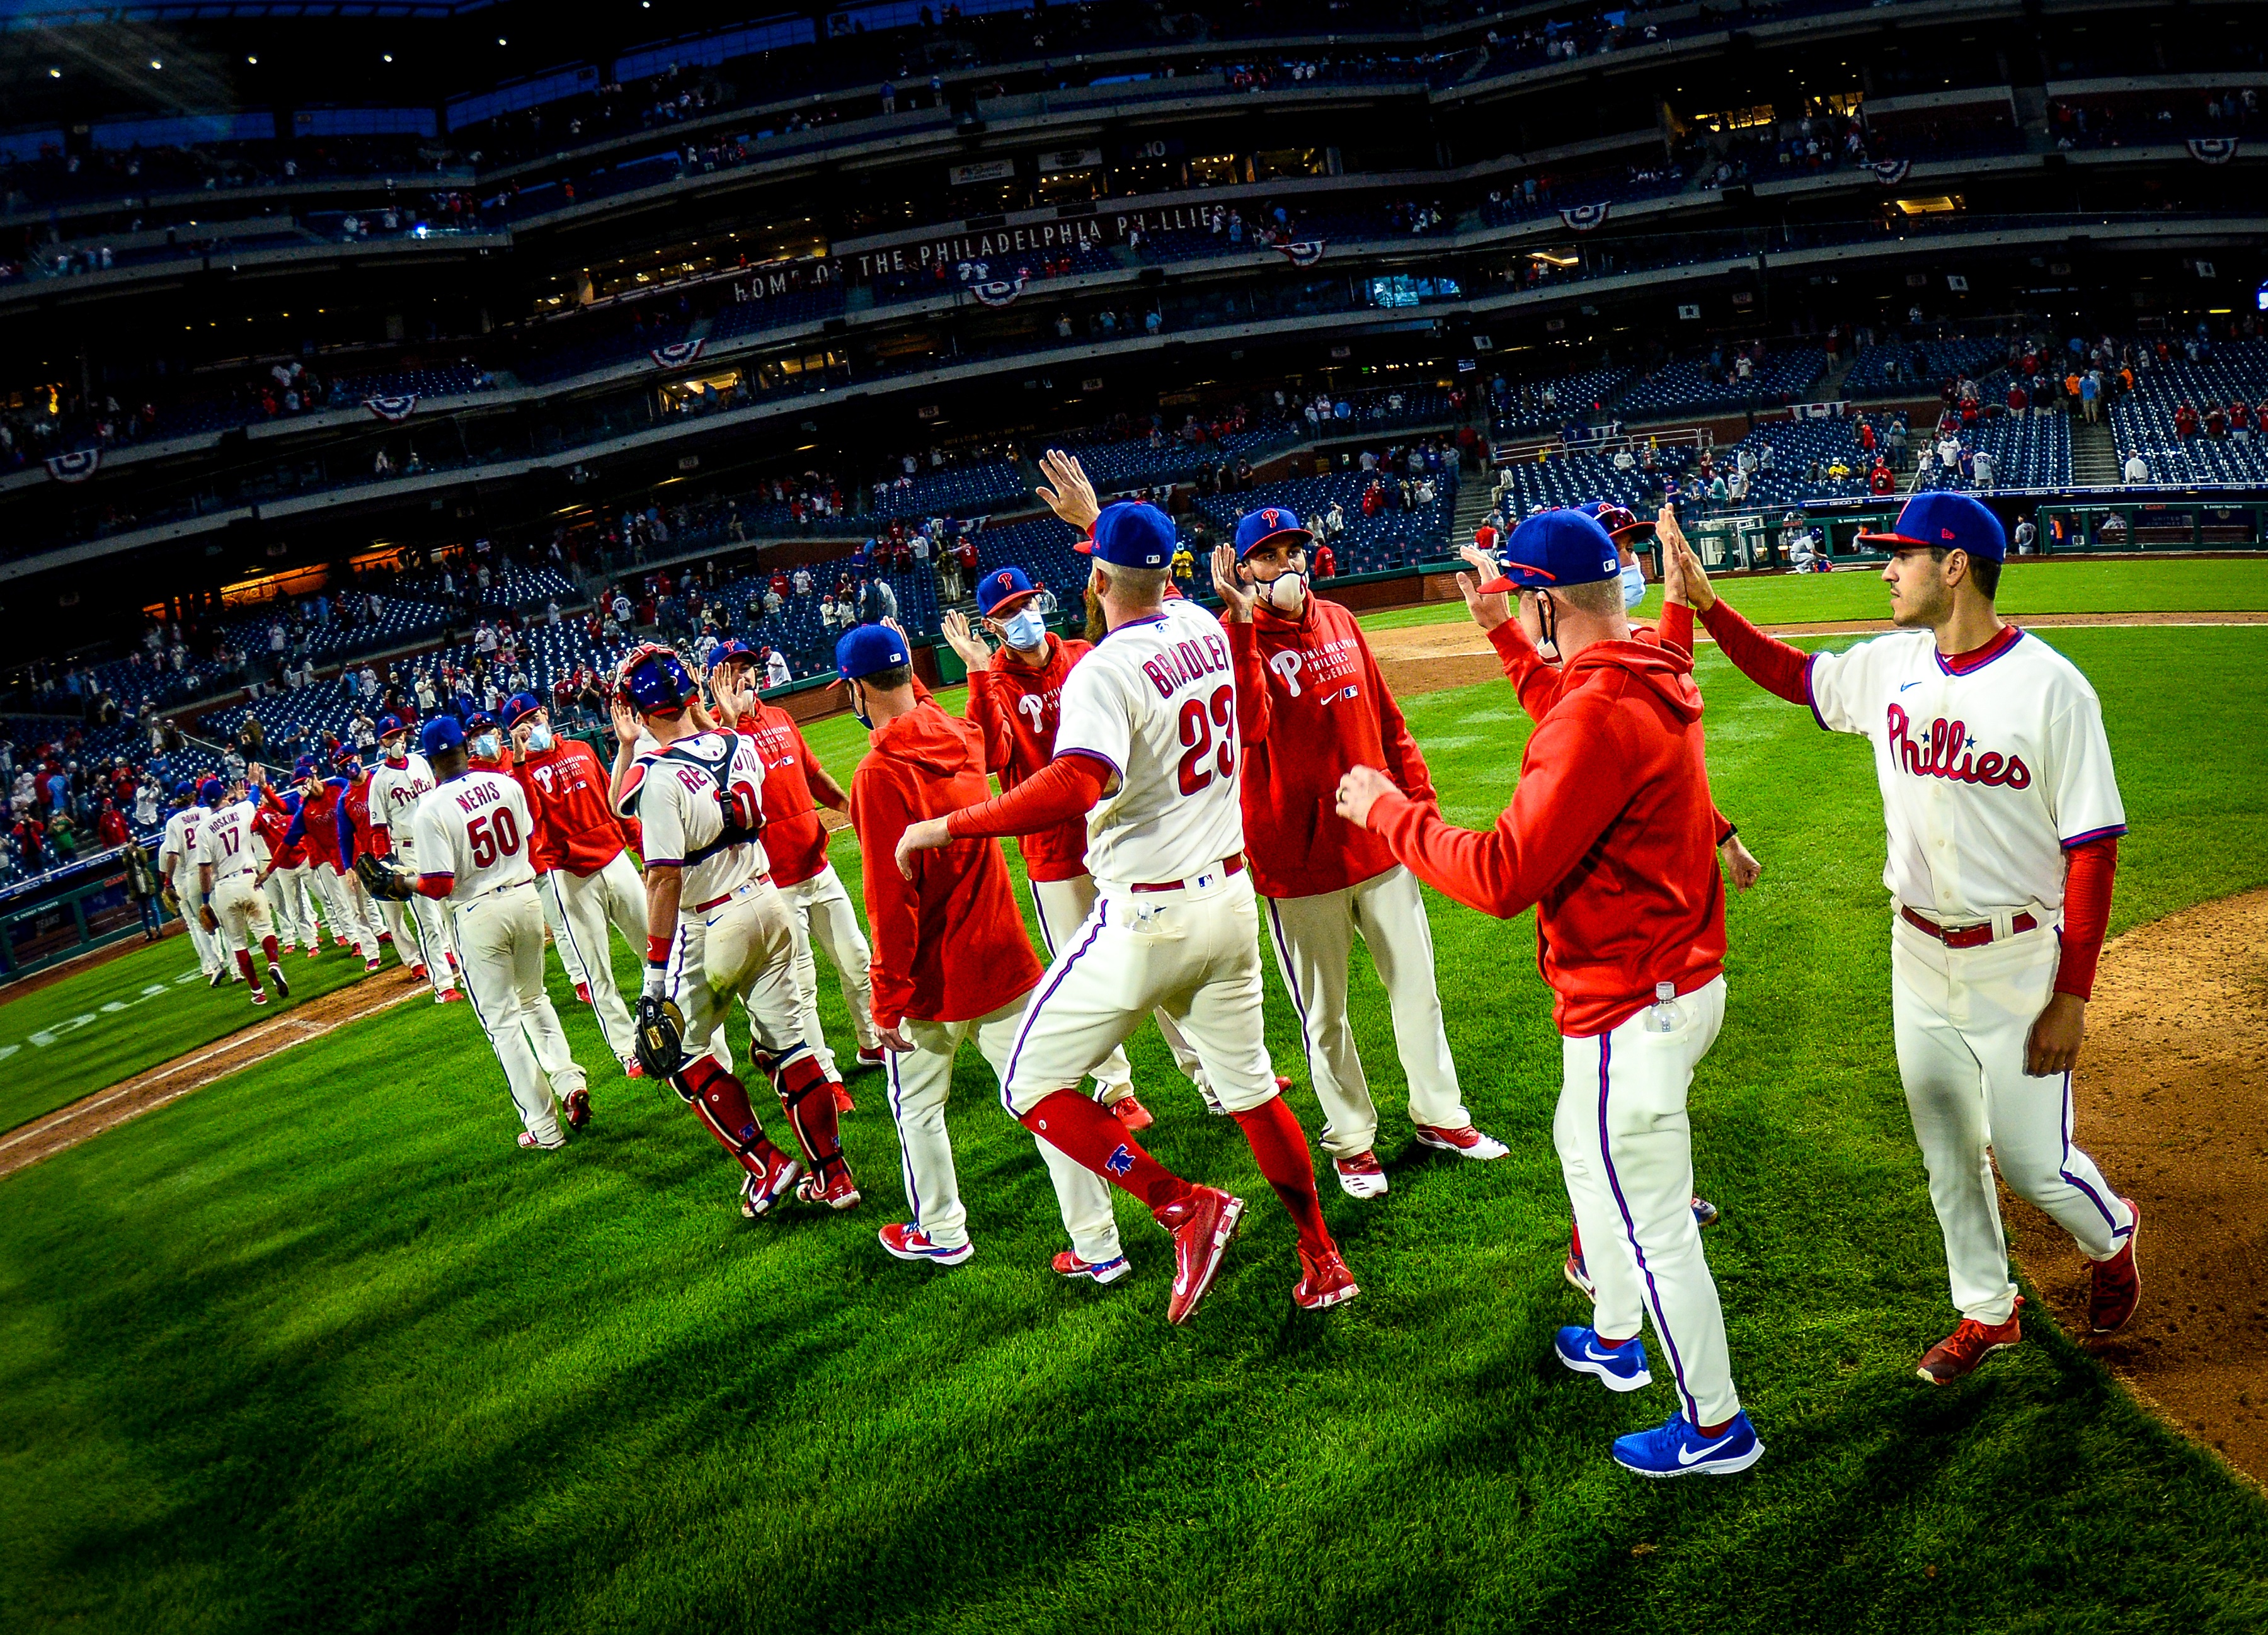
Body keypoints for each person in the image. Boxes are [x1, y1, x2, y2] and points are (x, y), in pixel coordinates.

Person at [1664, 491, 2140, 1384]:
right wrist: (1706, 605)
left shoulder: (2052, 688)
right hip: (1916, 955)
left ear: (1955, 566)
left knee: (2038, 1166)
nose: (1886, 568)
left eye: (1903, 554)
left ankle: (2112, 1238)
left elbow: (2093, 851)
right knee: (1948, 1155)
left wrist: (2072, 995)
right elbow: (1795, 676)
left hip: (2019, 962)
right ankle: (1987, 1311)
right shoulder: (1893, 665)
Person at [1335, 507, 1761, 1479]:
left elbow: (1500, 875)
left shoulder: (1598, 709)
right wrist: (1496, 623)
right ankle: (1613, 1335)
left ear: (1543, 603)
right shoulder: (1645, 662)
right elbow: (1567, 709)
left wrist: (1390, 812)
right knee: (1583, 1151)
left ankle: (1717, 1425)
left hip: (1631, 1003)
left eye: (1521, 607)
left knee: (1655, 1226)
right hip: (1671, 981)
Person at [896, 479, 1357, 1324]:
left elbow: (1075, 783)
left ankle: (1181, 1205)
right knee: (1253, 1091)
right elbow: (1157, 586)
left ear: (1096, 581)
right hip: (1228, 900)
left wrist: (953, 825)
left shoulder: (1102, 668)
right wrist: (1097, 517)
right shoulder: (1201, 625)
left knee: (1030, 1087)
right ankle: (1323, 1257)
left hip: (1146, 915)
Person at [1210, 506, 1508, 1199]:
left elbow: (1386, 718)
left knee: (1417, 990)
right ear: (1244, 569)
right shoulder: (1234, 640)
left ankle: (1441, 1115)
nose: (1287, 565)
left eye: (1294, 550)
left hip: (1380, 842)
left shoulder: (1342, 620)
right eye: (1270, 556)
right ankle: (1352, 1139)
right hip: (1297, 860)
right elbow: (1248, 726)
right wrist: (1242, 624)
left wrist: (1420, 805)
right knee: (1325, 1015)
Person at [835, 623, 1129, 1276]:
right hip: (1004, 958)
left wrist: (887, 997)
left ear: (855, 688)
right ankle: (1100, 1245)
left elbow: (893, 898)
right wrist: (973, 669)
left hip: (935, 983)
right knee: (1048, 1099)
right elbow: (986, 734)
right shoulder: (960, 739)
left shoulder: (879, 774)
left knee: (918, 1110)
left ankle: (941, 1228)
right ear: (909, 673)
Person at [938, 564, 1218, 1129]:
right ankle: (1116, 1091)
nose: (1025, 618)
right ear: (992, 627)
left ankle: (1210, 1075)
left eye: (1027, 603)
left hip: (1118, 837)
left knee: (1162, 959)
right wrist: (976, 675)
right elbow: (991, 757)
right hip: (1054, 852)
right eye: (1009, 613)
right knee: (1090, 979)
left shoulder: (1079, 655)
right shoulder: (993, 678)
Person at [611, 644, 859, 1217]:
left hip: (711, 921)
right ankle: (835, 1175)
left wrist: (653, 969)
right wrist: (701, 716)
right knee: (793, 1048)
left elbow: (662, 879)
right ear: (692, 694)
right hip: (769, 901)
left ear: (639, 711)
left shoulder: (652, 774)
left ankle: (766, 1165)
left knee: (679, 1053)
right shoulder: (739, 744)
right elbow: (704, 747)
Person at [365, 717, 591, 1148]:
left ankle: (544, 1128)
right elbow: (526, 839)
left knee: (503, 1024)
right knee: (535, 999)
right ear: (466, 749)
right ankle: (568, 1081)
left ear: (430, 762)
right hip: (524, 897)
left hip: (478, 912)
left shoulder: (430, 808)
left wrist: (402, 882)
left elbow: (439, 885)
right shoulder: (505, 784)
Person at [707, 643, 882, 1090]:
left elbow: (812, 774)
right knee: (801, 985)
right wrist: (727, 724)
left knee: (858, 958)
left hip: (817, 864)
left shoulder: (780, 718)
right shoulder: (710, 738)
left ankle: (871, 1042)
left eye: (747, 669)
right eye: (733, 673)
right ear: (715, 683)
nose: (744, 679)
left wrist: (847, 806)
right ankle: (824, 1075)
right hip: (773, 880)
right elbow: (715, 800)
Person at [503, 693, 647, 1078]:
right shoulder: (520, 776)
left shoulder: (583, 749)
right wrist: (519, 762)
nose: (531, 729)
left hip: (615, 859)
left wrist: (641, 850)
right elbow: (529, 818)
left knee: (653, 948)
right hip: (570, 875)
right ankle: (627, 1049)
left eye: (534, 719)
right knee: (598, 971)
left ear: (546, 715)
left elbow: (616, 803)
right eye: (521, 727)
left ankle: (677, 1018)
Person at [358, 720, 462, 1003]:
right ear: (381, 743)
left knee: (454, 907)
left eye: (398, 735)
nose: (396, 741)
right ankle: (444, 986)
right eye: (389, 738)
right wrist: (388, 861)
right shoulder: (378, 781)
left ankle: (465, 968)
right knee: (428, 920)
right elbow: (378, 828)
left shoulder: (419, 762)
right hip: (408, 852)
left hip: (439, 840)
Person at [196, 773, 292, 1006]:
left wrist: (206, 899)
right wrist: (253, 782)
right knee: (265, 929)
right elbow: (255, 796)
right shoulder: (241, 810)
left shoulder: (203, 829)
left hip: (225, 887)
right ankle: (273, 963)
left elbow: (205, 869)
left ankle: (257, 992)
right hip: (250, 879)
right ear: (223, 794)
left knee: (238, 942)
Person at [122, 835, 163, 939]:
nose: (135, 844)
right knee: (142, 909)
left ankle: (158, 928)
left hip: (145, 881)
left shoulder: (142, 850)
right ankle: (148, 931)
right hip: (135, 883)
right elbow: (127, 865)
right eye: (133, 842)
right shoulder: (126, 854)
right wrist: (130, 853)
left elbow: (144, 862)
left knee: (153, 906)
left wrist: (137, 851)